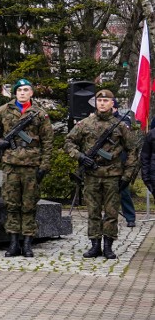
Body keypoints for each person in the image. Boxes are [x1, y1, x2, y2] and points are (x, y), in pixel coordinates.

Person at [0, 78, 53, 258]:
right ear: (15, 93)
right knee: (11, 204)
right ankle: (13, 243)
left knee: (29, 205)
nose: (22, 93)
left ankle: (27, 244)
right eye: (19, 90)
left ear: (31, 93)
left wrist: (44, 165)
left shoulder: (39, 114)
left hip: (31, 165)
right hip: (11, 165)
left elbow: (47, 141)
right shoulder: (4, 110)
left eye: (26, 90)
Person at [65, 89, 137, 259]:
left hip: (113, 175)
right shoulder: (85, 123)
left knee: (111, 213)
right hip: (92, 175)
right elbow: (68, 142)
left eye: (106, 101)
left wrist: (127, 175)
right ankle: (95, 245)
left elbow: (132, 149)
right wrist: (81, 157)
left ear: (113, 103)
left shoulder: (120, 126)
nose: (102, 103)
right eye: (99, 101)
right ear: (96, 103)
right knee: (93, 212)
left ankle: (108, 246)